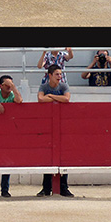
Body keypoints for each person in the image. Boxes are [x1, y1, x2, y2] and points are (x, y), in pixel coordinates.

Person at [36, 64, 72, 197]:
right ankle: (46, 188)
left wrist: (50, 96)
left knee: (64, 157)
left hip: (63, 126)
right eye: (57, 74)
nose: (60, 77)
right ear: (49, 75)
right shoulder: (44, 86)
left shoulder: (62, 86)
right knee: (47, 158)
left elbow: (67, 99)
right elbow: (40, 99)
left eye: (60, 74)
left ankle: (64, 187)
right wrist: (57, 98)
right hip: (46, 126)